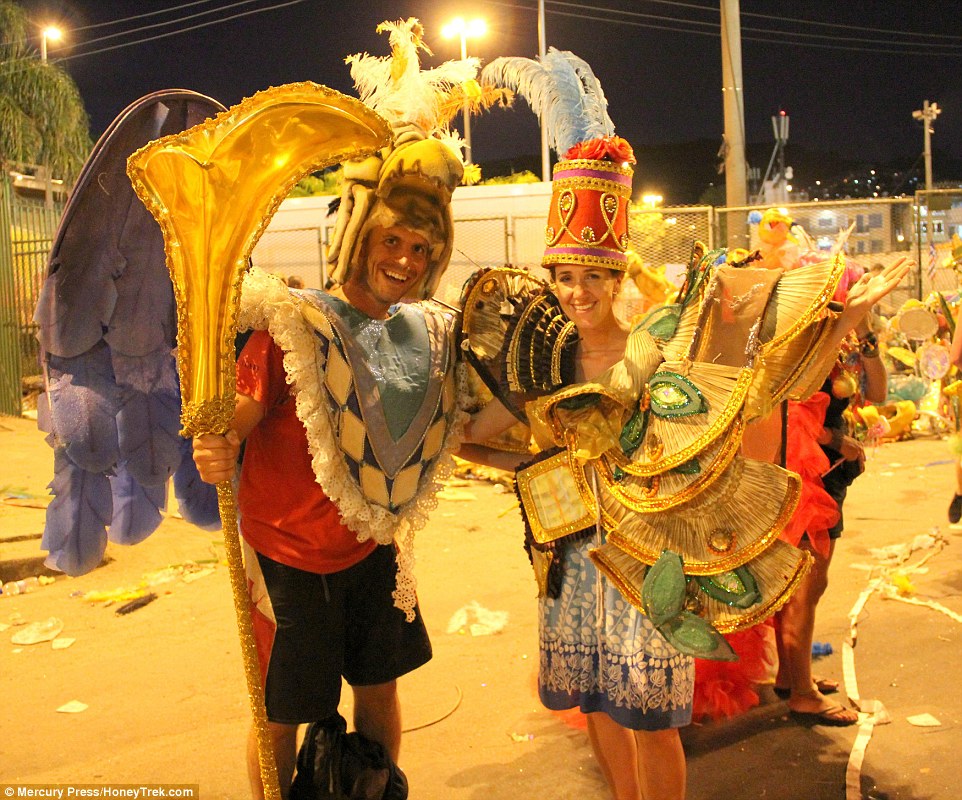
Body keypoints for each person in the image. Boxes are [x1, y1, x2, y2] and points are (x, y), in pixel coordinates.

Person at [192, 24, 471, 795]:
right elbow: (237, 419)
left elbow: (455, 433)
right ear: (361, 236)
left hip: (375, 550)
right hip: (290, 566)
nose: (406, 261)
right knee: (282, 716)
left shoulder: (425, 333)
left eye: (424, 250)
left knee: (379, 694)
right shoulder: (294, 323)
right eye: (395, 240)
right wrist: (212, 445)